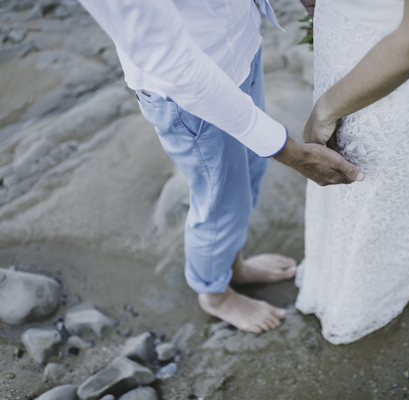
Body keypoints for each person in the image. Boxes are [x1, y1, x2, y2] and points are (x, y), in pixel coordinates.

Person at [76, 0, 365, 334]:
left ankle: (232, 265)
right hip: (187, 95)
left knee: (252, 170)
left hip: (240, 49)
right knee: (220, 200)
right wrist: (293, 154)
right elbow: (169, 61)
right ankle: (214, 294)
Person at [295, 0, 409, 344]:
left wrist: (325, 110)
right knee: (341, 189)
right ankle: (327, 284)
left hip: (396, 75)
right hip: (338, 40)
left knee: (379, 199)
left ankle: (361, 304)